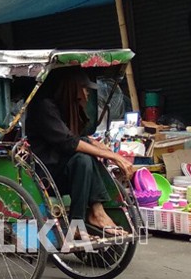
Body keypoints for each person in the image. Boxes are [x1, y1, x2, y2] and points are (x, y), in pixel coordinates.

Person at [26, 68, 134, 239]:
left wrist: (97, 145)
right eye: (84, 89)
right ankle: (82, 220)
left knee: (87, 157)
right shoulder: (43, 107)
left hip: (63, 170)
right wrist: (113, 156)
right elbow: (68, 142)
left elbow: (76, 137)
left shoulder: (64, 107)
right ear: (71, 88)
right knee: (83, 159)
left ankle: (97, 212)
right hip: (44, 175)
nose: (87, 94)